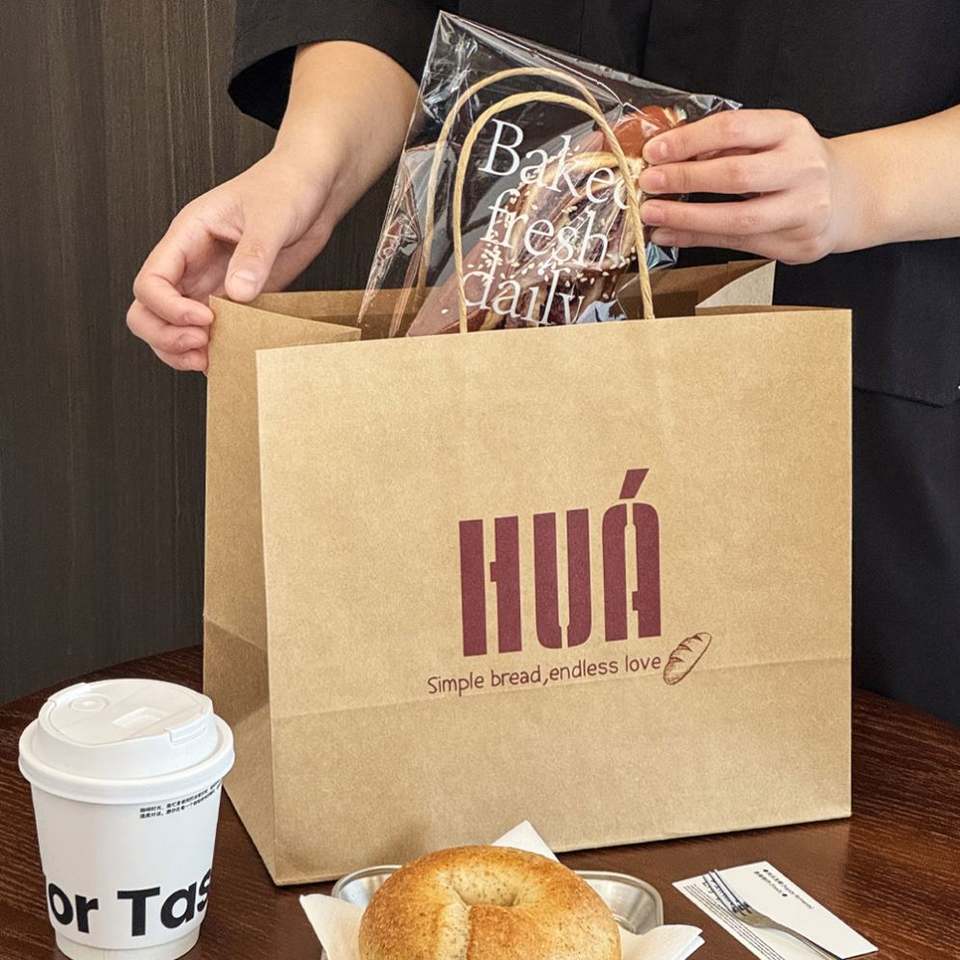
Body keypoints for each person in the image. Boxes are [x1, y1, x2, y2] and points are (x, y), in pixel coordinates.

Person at [129, 1, 960, 725]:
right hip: (489, 343)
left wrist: (864, 186)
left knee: (854, 799)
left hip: (865, 409)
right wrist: (308, 167)